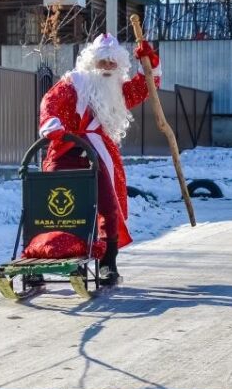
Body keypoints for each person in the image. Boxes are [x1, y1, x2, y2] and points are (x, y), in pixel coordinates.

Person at [38, 33, 161, 286]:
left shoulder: (118, 90)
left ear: (118, 66)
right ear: (91, 62)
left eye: (111, 63)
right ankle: (46, 252)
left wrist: (150, 62)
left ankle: (108, 263)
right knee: (55, 204)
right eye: (101, 62)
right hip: (67, 149)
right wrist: (52, 123)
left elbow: (145, 85)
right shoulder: (75, 82)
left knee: (108, 204)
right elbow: (51, 100)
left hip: (100, 154)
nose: (106, 68)